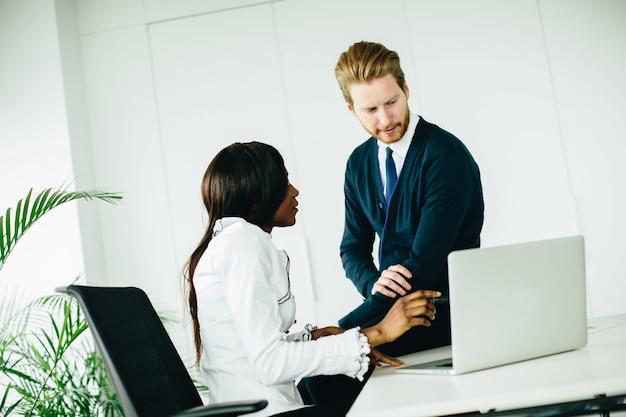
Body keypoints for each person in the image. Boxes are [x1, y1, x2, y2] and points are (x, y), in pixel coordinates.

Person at [182, 141, 442, 417]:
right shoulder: (241, 244)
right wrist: (377, 333)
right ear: (257, 201)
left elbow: (247, 352)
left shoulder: (234, 243)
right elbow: (269, 364)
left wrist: (313, 337)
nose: (294, 192)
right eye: (284, 183)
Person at [334, 41, 485, 357]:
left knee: (322, 377)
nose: (386, 119)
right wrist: (375, 285)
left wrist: (344, 330)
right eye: (371, 110)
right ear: (350, 109)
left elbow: (424, 264)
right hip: (391, 314)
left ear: (406, 90)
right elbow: (352, 249)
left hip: (444, 317)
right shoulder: (358, 164)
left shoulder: (445, 157)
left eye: (392, 102)